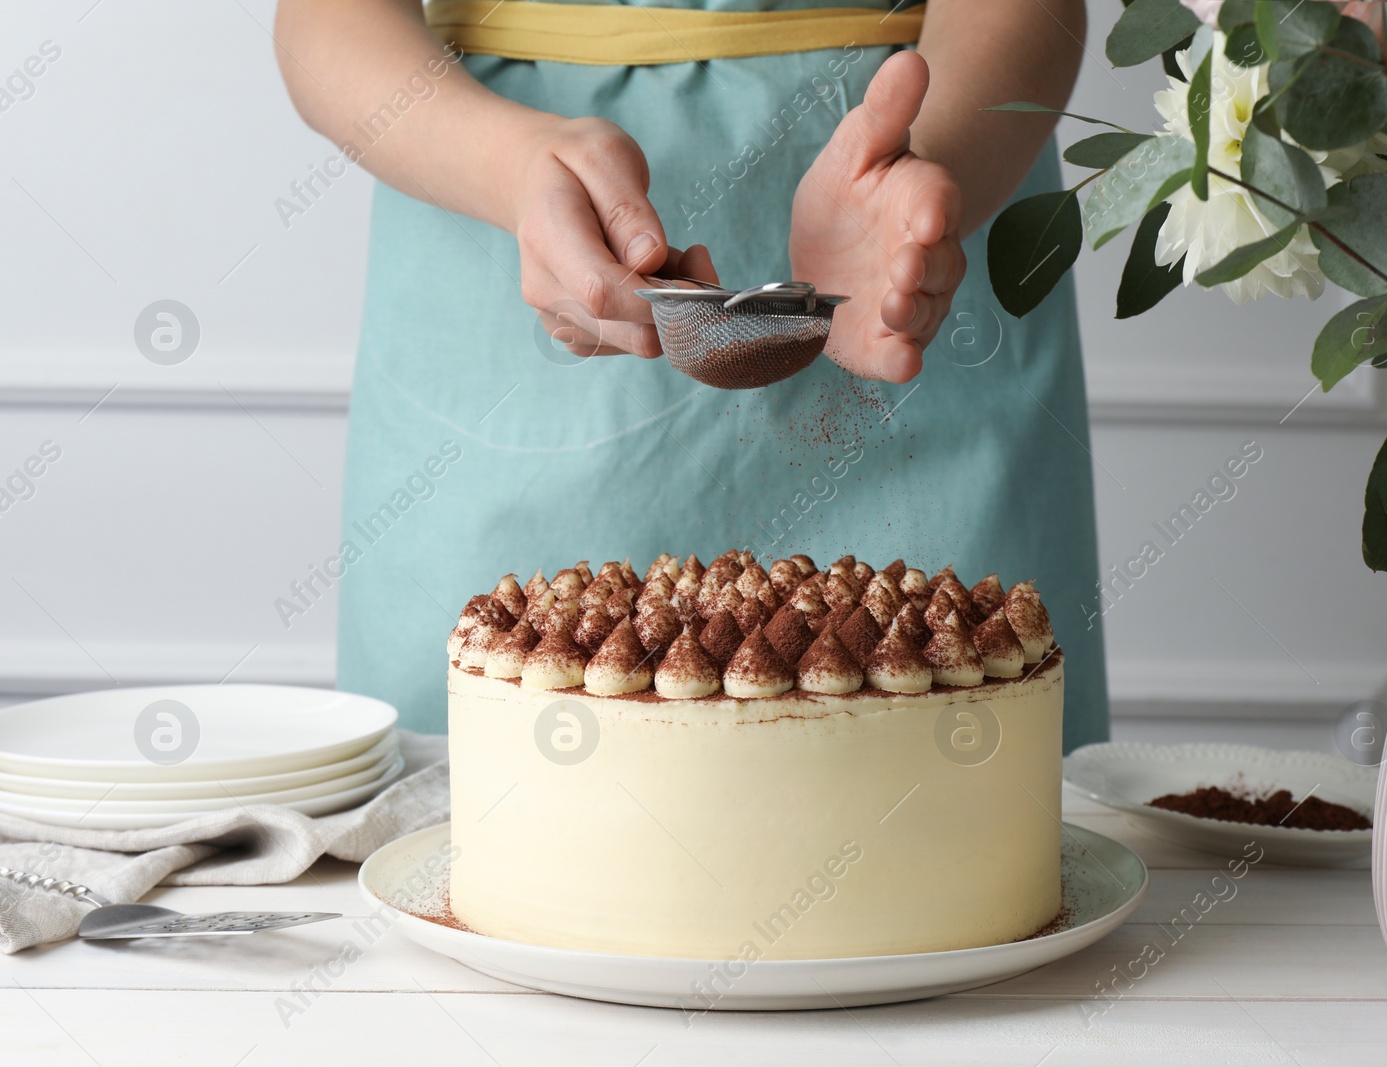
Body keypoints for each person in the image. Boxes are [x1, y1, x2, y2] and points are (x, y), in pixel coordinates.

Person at [273, 0, 1105, 749]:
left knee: (961, 839)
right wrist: (511, 165)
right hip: (495, 250)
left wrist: (931, 169)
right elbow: (323, 20)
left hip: (921, 239)